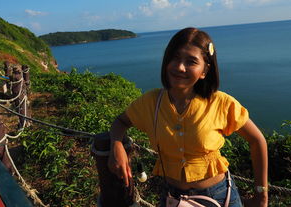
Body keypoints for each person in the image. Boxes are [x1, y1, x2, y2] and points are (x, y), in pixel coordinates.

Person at [108, 27, 268, 207]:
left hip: (220, 196)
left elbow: (257, 141)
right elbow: (121, 122)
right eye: (175, 57)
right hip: (172, 197)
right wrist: (117, 145)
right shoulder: (151, 102)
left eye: (191, 61)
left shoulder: (221, 103)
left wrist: (261, 195)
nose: (179, 67)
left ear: (204, 70)